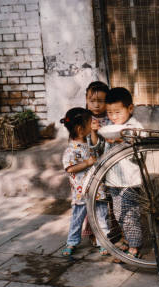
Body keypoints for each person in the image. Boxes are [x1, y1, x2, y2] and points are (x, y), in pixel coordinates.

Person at [100, 87, 143, 258]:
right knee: (119, 213)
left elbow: (141, 152)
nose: (113, 116)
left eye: (117, 112)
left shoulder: (135, 127)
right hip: (113, 179)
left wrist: (122, 140)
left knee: (131, 213)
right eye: (109, 112)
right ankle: (128, 240)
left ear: (130, 109)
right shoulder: (110, 127)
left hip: (130, 179)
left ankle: (135, 247)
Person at [81, 81, 113, 256]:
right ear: (86, 100)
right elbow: (91, 148)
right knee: (94, 201)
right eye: (92, 100)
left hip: (107, 165)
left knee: (108, 201)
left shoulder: (110, 118)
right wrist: (93, 132)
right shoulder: (85, 120)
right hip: (91, 166)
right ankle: (95, 232)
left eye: (101, 100)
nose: (96, 104)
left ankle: (110, 231)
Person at [60, 107, 96, 256]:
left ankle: (100, 241)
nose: (92, 125)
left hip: (93, 189)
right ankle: (72, 242)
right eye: (89, 123)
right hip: (80, 192)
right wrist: (87, 163)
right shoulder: (71, 150)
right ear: (81, 129)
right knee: (77, 219)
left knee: (98, 217)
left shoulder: (86, 142)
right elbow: (69, 168)